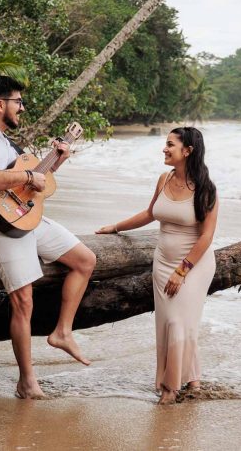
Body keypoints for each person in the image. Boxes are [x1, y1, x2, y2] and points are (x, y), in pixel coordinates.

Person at [0, 75, 96, 399]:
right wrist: (28, 175)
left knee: (85, 260)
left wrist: (55, 160)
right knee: (23, 300)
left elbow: (30, 183)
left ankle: (62, 332)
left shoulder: (6, 142)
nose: (23, 108)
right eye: (19, 102)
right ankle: (27, 382)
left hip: (23, 216)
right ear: (0, 104)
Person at [97, 126, 218, 404]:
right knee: (172, 323)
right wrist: (115, 227)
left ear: (187, 151)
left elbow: (207, 236)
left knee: (178, 320)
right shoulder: (164, 178)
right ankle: (193, 381)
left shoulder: (206, 190)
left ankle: (170, 389)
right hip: (163, 261)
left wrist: (182, 270)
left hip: (194, 264)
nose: (164, 149)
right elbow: (151, 213)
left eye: (170, 145)